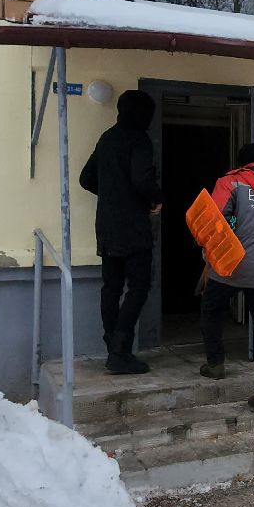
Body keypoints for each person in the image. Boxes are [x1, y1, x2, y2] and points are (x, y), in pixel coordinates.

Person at [196, 144, 254, 412]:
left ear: (242, 162)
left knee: (210, 308)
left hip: (233, 265)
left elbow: (215, 220)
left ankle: (215, 364)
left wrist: (211, 247)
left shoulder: (231, 182)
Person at [78, 89, 162, 375]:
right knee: (139, 286)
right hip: (133, 227)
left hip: (106, 226)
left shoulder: (107, 138)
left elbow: (85, 178)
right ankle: (120, 350)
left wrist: (113, 194)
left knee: (111, 288)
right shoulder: (139, 139)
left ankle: (112, 346)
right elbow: (142, 179)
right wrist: (155, 198)